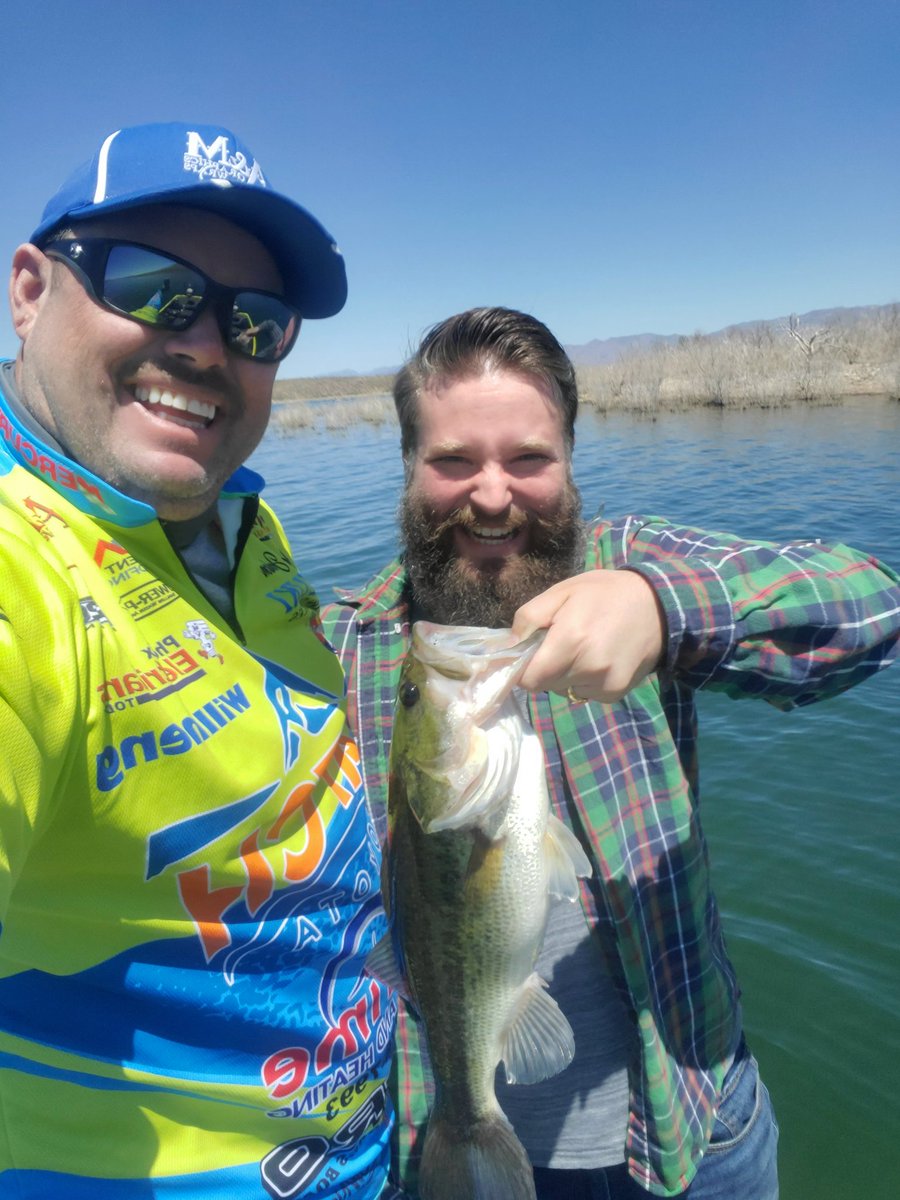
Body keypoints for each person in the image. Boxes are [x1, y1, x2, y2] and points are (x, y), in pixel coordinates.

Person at [320, 306, 900, 1199]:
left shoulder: (626, 566)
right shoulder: (339, 645)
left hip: (694, 1134)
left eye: (528, 459)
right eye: (452, 462)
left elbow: (872, 605)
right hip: (442, 1133)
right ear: (405, 467)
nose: (490, 494)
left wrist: (665, 611)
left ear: (570, 461)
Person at [0, 121, 399, 1199]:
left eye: (256, 322)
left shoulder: (231, 523)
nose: (208, 347)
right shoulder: (21, 570)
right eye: (154, 287)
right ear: (29, 291)